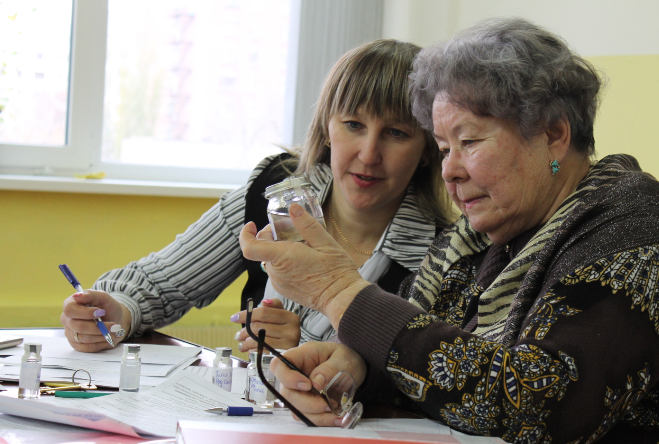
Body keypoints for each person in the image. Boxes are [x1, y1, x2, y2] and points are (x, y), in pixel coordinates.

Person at [240, 18, 659, 443]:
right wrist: (354, 370)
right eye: (444, 148)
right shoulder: (470, 241)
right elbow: (425, 362)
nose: (450, 170)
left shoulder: (639, 224)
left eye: (469, 142)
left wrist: (338, 292)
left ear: (553, 134)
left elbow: (539, 407)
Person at [60, 39, 454, 353]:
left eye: (396, 133)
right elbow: (159, 283)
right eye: (353, 125)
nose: (368, 155)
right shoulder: (275, 189)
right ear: (327, 129)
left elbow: (418, 386)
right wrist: (118, 310)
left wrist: (301, 350)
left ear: (428, 149)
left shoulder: (446, 257)